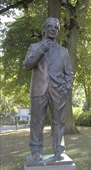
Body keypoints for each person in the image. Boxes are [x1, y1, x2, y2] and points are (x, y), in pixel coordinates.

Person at [23, 17, 73, 161]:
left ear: (58, 31)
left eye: (56, 27)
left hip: (58, 91)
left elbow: (69, 73)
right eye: (50, 26)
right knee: (37, 121)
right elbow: (27, 65)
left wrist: (66, 87)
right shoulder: (34, 47)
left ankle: (59, 150)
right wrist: (41, 51)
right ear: (44, 29)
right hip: (39, 90)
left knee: (58, 121)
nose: (53, 29)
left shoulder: (63, 51)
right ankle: (36, 151)